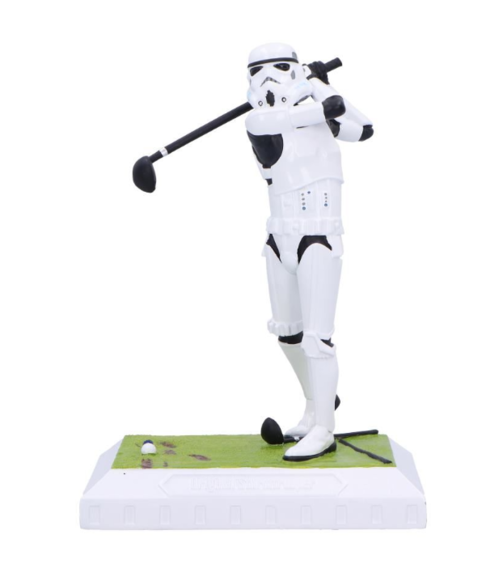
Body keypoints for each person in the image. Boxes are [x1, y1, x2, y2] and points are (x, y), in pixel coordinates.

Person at [245, 43, 374, 461]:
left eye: (280, 69)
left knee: (318, 340)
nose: (268, 80)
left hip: (318, 237)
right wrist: (317, 93)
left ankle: (323, 428)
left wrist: (317, 83)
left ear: (295, 70)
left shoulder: (323, 120)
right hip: (278, 238)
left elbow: (363, 127)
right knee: (288, 335)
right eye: (257, 72)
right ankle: (318, 403)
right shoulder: (259, 121)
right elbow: (303, 114)